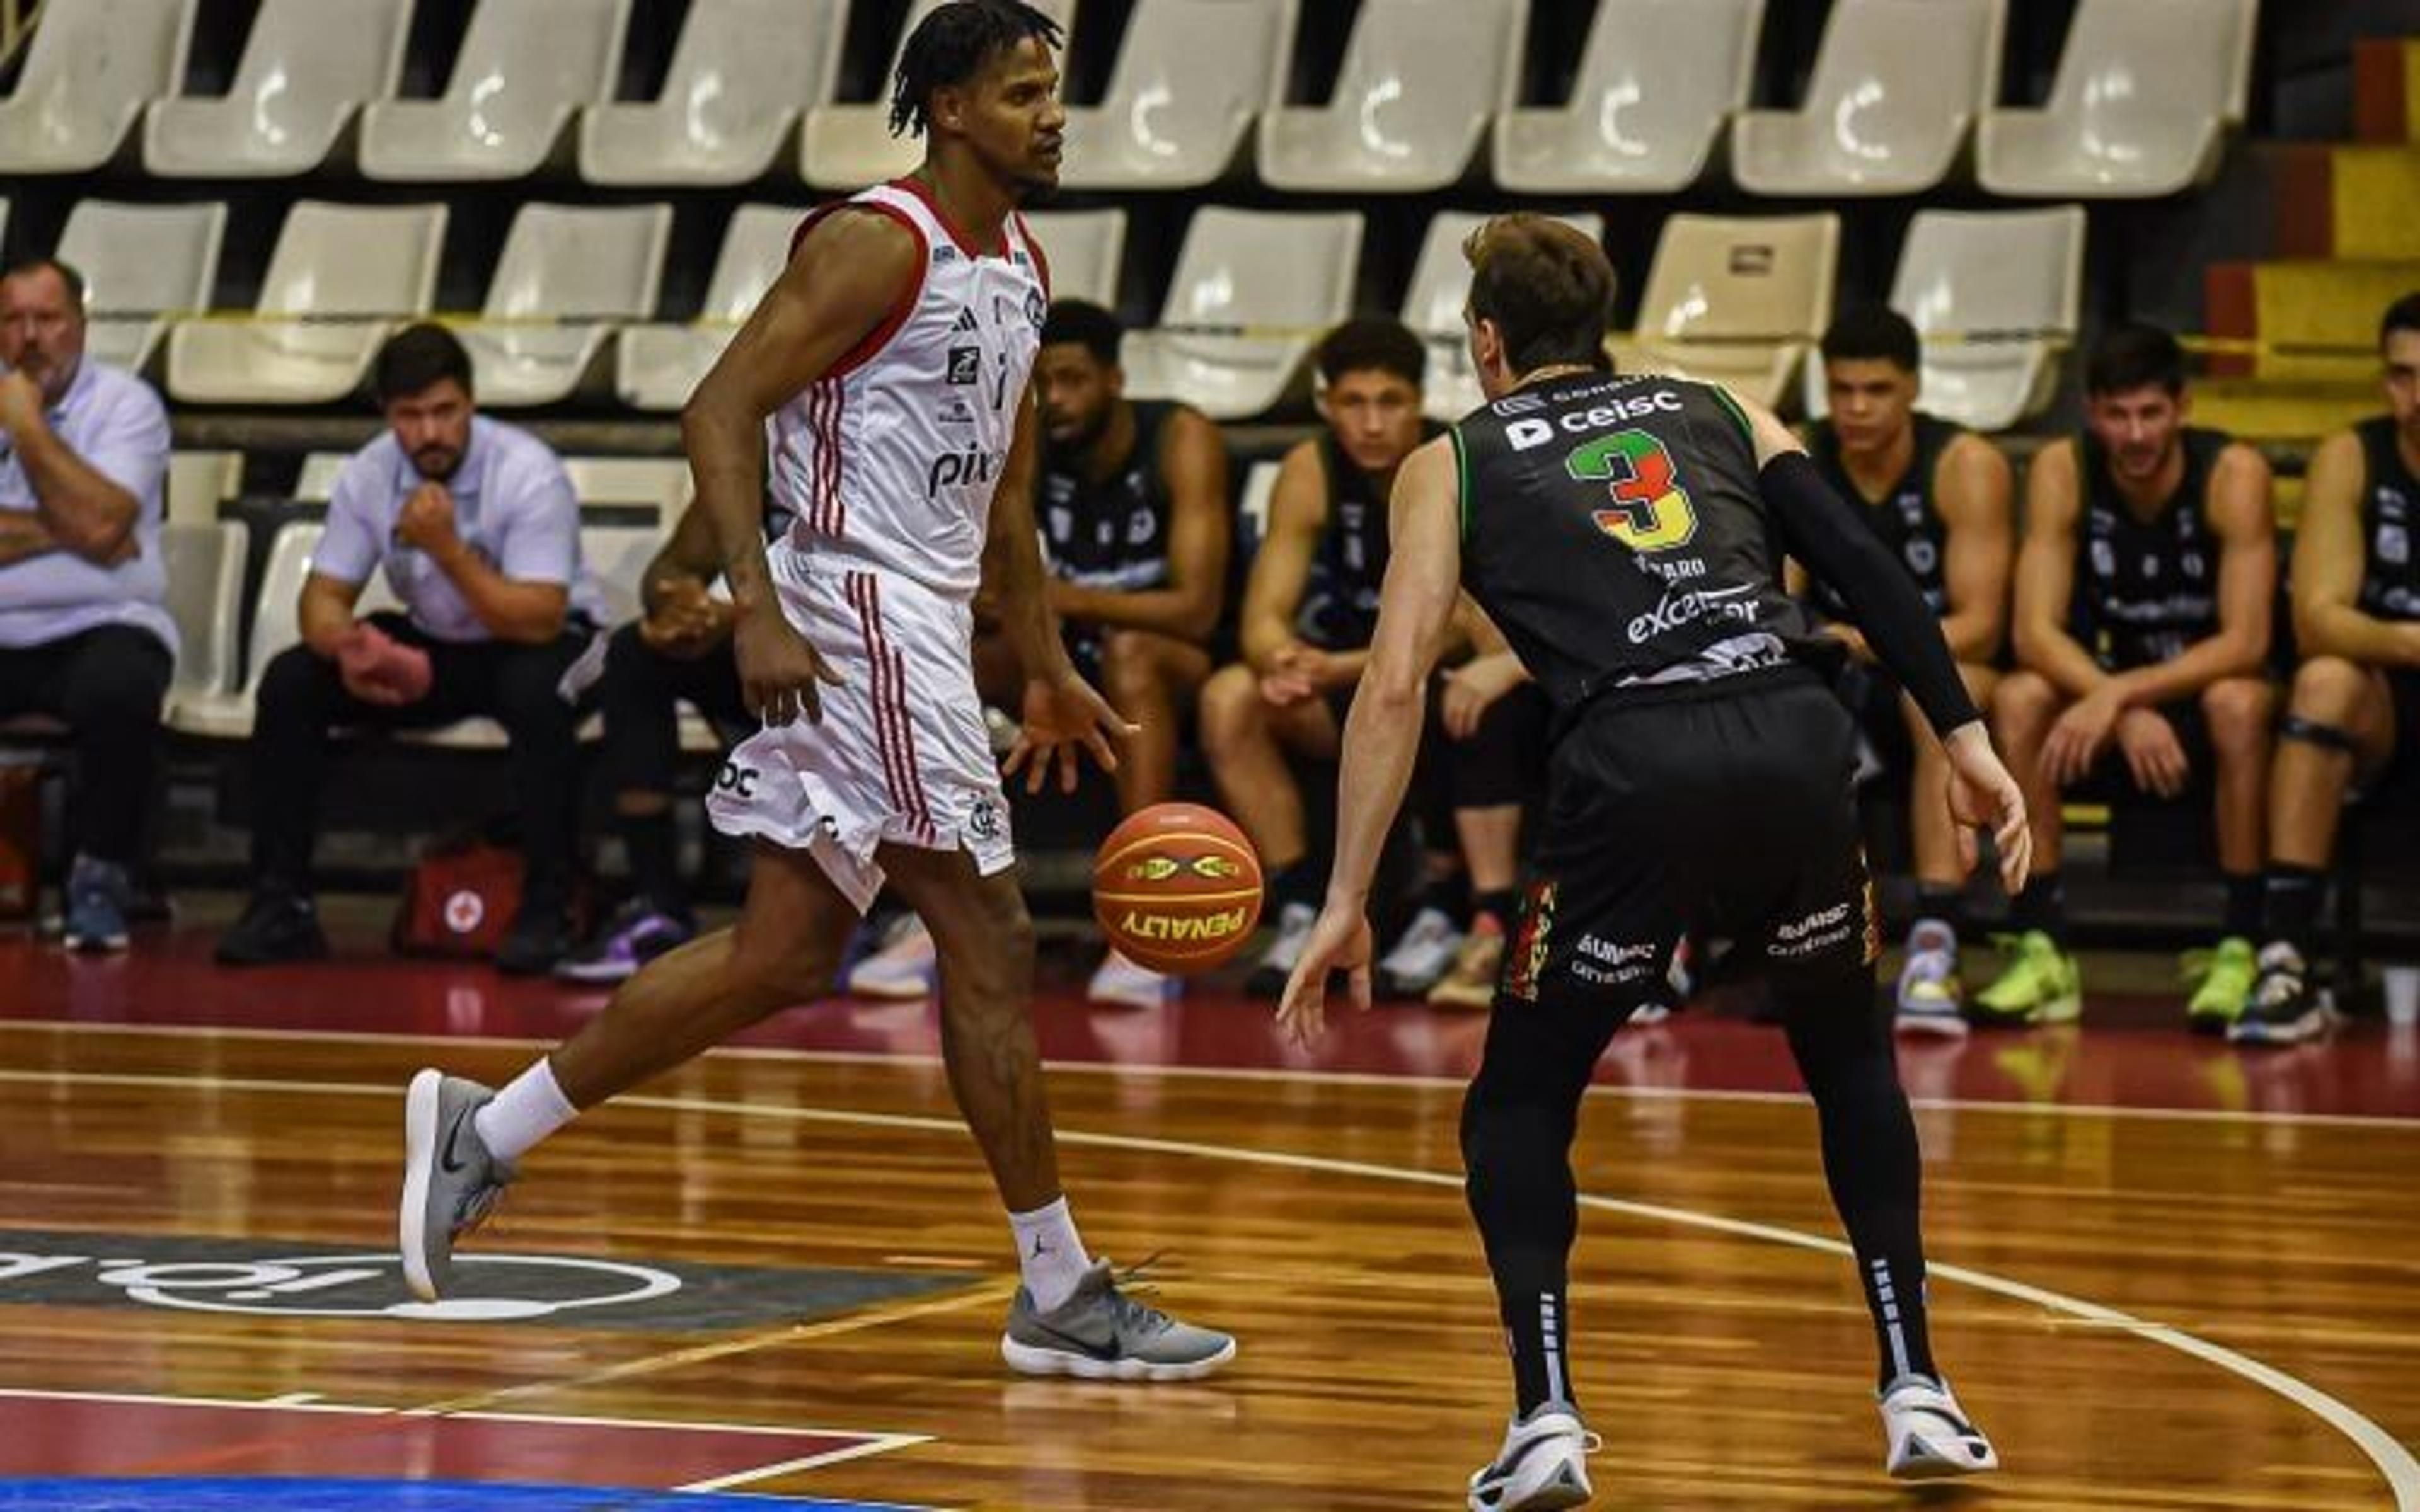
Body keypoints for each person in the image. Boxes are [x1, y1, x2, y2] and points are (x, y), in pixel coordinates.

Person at [395, 0, 1232, 1381]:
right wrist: (759, 605)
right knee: (992, 933)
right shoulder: (874, 242)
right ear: (952, 109)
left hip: (920, 621)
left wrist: (1047, 667)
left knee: (783, 954)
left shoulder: (1019, 267)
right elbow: (717, 408)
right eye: (1024, 93)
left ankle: (489, 1134)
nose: (1052, 114)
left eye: (1053, 91)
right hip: (855, 611)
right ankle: (1060, 1287)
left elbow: (1006, 498)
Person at [1277, 215, 2029, 1505]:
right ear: (1603, 324)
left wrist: (1346, 896)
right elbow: (1858, 561)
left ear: (1489, 342)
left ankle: (1547, 1420)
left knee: (1520, 1101)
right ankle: (1919, 1388)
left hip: (1636, 766)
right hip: (1799, 743)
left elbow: (1395, 686)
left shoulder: (1450, 461)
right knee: (1847, 1056)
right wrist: (1964, 737)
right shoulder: (1721, 402)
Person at [858, 298, 1231, 1010]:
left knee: (1134, 653)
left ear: (1116, 380)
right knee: (943, 656)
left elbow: (1195, 607)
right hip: (1056, 656)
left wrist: (1055, 598)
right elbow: (985, 590)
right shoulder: (1018, 442)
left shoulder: (1181, 437)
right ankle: (939, 910)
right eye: (1041, 384)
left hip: (1173, 662)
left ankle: (1141, 918)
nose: (1054, 400)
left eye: (1072, 381)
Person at [215, 323, 608, 975]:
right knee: (292, 681)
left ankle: (549, 907)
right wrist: (350, 649)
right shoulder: (370, 473)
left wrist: (447, 548)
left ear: (471, 405)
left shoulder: (528, 473)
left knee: (535, 693)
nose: (429, 433)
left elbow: (538, 619)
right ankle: (281, 903)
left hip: (552, 641)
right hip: (439, 643)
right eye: (410, 416)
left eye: (444, 412)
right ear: (388, 416)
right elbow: (320, 599)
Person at [1985, 324, 2278, 1031]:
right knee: (2020, 696)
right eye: (2117, 415)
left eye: (2151, 413)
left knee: (2240, 704)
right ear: (2092, 413)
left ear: (2183, 407)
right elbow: (2033, 631)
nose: (2136, 434)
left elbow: (2247, 641)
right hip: (2098, 701)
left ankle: (2243, 945)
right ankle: (2043, 946)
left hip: (2190, 699)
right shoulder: (2064, 468)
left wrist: (2121, 696)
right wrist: (2110, 700)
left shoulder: (2234, 474)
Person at [1199, 316, 1444, 995]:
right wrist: (1281, 662)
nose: (1371, 424)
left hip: (1422, 675)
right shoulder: (1310, 468)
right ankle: (1302, 898)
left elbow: (1459, 627)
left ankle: (1438, 911)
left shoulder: (1447, 462)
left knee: (1434, 688)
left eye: (1389, 403)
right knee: (1230, 697)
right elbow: (1262, 615)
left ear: (1419, 402)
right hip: (1336, 675)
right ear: (1326, 405)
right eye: (1354, 404)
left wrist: (1342, 669)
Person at [1795, 307, 2014, 1034]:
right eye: (1843, 389)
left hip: (1937, 670)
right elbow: (1780, 604)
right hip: (1835, 670)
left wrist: (1867, 639)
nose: (1857, 408)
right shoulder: (1799, 457)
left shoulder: (1963, 465)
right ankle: (1790, 934)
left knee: (1940, 702)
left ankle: (1934, 942)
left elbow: (1982, 621)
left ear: (1914, 387)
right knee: (1765, 698)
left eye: (1878, 390)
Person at [2232, 292, 2420, 1045]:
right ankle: (2285, 957)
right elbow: (2318, 618)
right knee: (2323, 681)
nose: (2418, 397)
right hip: (2386, 707)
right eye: (2403, 375)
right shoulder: (2354, 457)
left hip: (2389, 649)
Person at [0, 258, 175, 953]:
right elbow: (99, 529)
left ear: (80, 325)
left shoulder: (127, 405)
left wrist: (29, 428)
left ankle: (100, 881)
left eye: (47, 319)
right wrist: (67, 526)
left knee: (121, 689)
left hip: (103, 626)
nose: (30, 337)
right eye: (13, 321)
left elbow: (109, 524)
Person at [555, 494, 770, 983]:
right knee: (637, 650)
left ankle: (876, 913)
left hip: (861, 659)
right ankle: (659, 905)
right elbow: (669, 569)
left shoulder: (885, 460)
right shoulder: (763, 461)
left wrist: (739, 616)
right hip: (762, 649)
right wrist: (681, 604)